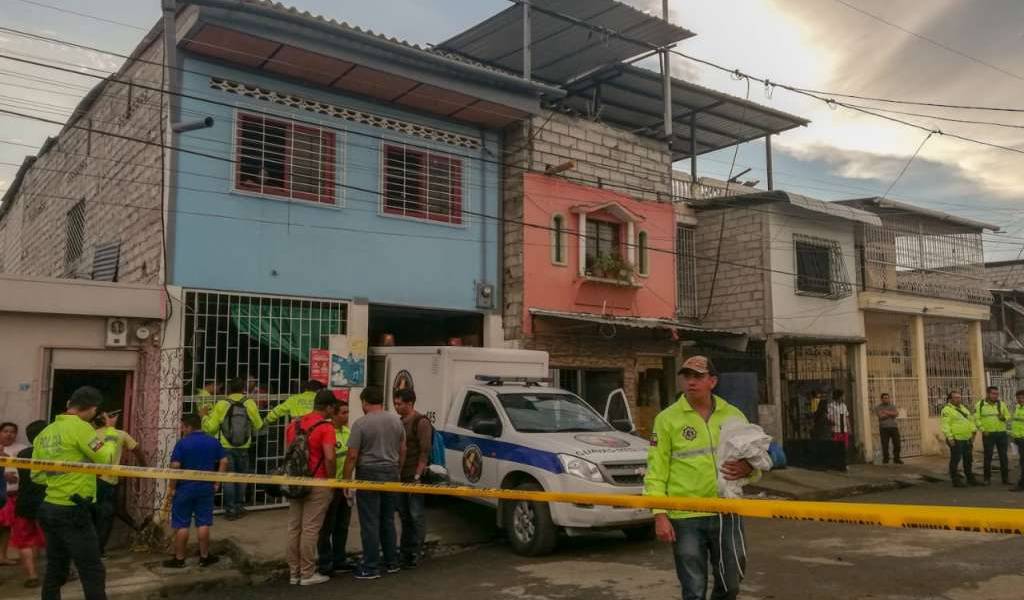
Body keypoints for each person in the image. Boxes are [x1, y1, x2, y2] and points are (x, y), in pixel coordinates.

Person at [644, 356, 757, 600]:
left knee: (731, 583)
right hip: (686, 515)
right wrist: (660, 515)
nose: (691, 382)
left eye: (698, 376)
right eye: (687, 377)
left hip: (726, 510)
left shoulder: (733, 415)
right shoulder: (667, 419)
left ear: (712, 381)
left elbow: (754, 455)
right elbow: (656, 469)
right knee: (693, 588)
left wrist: (749, 468)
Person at [32, 386, 121, 600]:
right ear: (92, 409)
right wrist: (110, 431)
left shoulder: (45, 433)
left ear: (69, 404)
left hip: (49, 508)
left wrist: (60, 479)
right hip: (73, 509)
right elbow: (107, 459)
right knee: (92, 570)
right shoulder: (82, 429)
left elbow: (36, 475)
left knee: (56, 568)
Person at [343, 386, 406, 581]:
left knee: (370, 521)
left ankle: (370, 566)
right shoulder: (396, 421)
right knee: (387, 519)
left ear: (364, 402)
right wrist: (398, 470)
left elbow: (352, 455)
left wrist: (346, 481)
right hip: (392, 472)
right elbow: (403, 449)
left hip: (369, 472)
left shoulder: (360, 424)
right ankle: (391, 561)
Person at [284, 389, 338, 586]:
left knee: (294, 527)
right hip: (318, 481)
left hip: (296, 481)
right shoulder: (326, 427)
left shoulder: (294, 425)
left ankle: (294, 572)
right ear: (329, 407)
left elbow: (288, 454)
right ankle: (307, 574)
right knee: (310, 529)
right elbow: (330, 457)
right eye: (334, 407)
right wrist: (332, 481)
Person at [164, 412, 228, 568]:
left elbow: (175, 466)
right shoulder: (213, 442)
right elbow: (224, 461)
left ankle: (179, 559)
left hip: (184, 488)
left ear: (189, 427)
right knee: (203, 522)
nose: (181, 430)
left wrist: (172, 487)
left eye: (183, 427)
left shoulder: (182, 443)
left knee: (182, 524)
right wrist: (217, 482)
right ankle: (204, 557)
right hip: (205, 488)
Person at [201, 378, 263, 520]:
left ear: (228, 390)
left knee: (229, 478)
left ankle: (230, 510)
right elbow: (259, 425)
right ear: (243, 389)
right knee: (242, 477)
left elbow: (211, 429)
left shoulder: (222, 404)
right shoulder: (249, 403)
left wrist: (204, 417)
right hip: (244, 447)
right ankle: (239, 506)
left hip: (226, 446)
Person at [91, 410, 146, 556]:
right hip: (108, 482)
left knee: (92, 515)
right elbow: (137, 449)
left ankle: (91, 549)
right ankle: (97, 551)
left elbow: (91, 454)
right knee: (105, 517)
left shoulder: (92, 435)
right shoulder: (120, 435)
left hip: (91, 480)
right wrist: (144, 467)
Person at [393, 388, 432, 569]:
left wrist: (417, 475)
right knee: (404, 516)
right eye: (395, 403)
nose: (396, 406)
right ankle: (405, 551)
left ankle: (417, 551)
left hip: (414, 477)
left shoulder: (421, 422)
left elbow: (425, 452)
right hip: (401, 477)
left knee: (416, 515)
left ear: (409, 403)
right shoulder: (399, 422)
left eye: (399, 403)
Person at [317, 397, 356, 576]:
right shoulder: (327, 431)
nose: (346, 416)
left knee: (342, 525)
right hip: (329, 486)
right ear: (334, 414)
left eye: (348, 412)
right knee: (326, 527)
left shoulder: (348, 433)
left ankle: (340, 560)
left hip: (345, 487)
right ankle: (325, 562)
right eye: (343, 413)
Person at [14, 420, 47, 588]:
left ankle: (32, 575)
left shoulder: (22, 454)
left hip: (24, 502)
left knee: (26, 540)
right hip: (46, 501)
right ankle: (61, 571)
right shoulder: (49, 454)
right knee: (51, 539)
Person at [1, 421, 27, 566]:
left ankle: (2, 556)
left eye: (12, 431)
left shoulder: (22, 449)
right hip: (1, 494)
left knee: (6, 528)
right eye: (5, 431)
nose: (9, 434)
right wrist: (4, 477)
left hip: (14, 494)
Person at [942, 391, 979, 488]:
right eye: (956, 397)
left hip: (967, 438)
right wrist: (950, 438)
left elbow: (970, 420)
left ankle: (970, 478)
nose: (958, 399)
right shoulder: (947, 410)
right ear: (950, 399)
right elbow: (945, 425)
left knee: (968, 459)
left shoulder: (963, 408)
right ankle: (955, 480)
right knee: (955, 460)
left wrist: (973, 432)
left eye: (959, 397)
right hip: (956, 439)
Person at [976, 386, 1011, 485]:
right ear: (988, 394)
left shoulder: (1001, 404)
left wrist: (1004, 417)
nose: (996, 396)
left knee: (1003, 457)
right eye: (993, 393)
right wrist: (983, 430)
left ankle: (1005, 479)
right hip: (988, 434)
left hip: (1001, 433)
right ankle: (987, 479)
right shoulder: (980, 404)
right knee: (988, 457)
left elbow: (1008, 415)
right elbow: (976, 419)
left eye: (997, 394)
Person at [875, 393, 902, 464]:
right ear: (881, 399)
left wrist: (886, 412)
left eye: (887, 398)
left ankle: (896, 459)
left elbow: (896, 414)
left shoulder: (892, 406)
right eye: (884, 398)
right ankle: (886, 459)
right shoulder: (878, 407)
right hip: (884, 428)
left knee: (897, 444)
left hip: (894, 427)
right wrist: (891, 414)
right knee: (885, 444)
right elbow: (881, 416)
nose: (886, 399)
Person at [1010, 390, 1024, 492]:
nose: (1020, 400)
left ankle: (1021, 484)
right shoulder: (1018, 408)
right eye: (1019, 398)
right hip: (1019, 439)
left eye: (1022, 398)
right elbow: (1015, 423)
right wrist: (1013, 436)